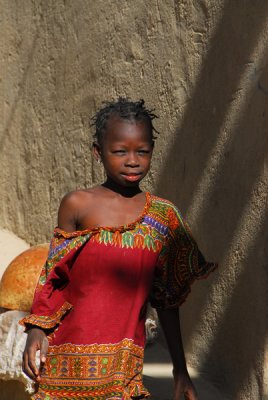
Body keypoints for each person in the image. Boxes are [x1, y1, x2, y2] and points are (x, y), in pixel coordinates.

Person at [20, 98, 217, 400]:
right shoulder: (77, 205)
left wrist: (180, 370)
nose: (132, 160)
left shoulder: (162, 218)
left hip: (123, 372)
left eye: (142, 151)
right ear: (98, 153)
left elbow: (166, 300)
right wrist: (37, 330)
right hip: (64, 368)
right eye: (120, 151)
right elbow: (53, 276)